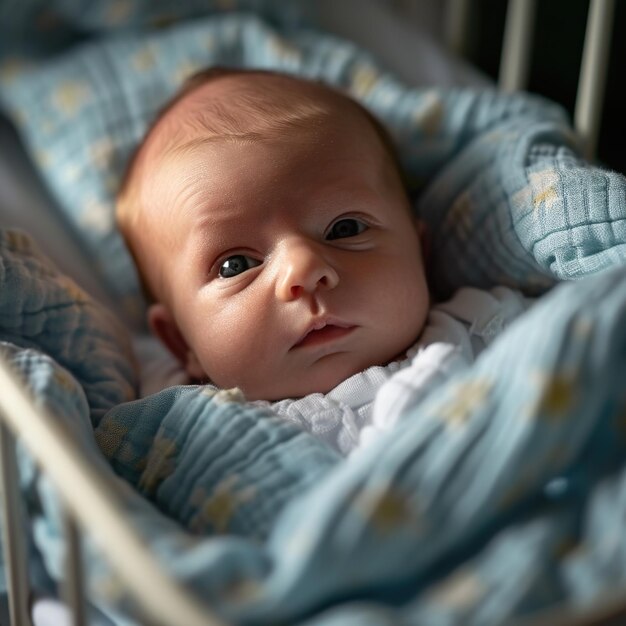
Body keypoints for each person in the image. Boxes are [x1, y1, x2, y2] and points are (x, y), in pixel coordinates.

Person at [117, 67, 528, 453]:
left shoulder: (486, 328)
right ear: (180, 342)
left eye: (346, 229)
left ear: (420, 253)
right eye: (235, 266)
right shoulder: (186, 435)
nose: (304, 269)